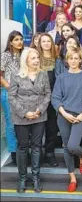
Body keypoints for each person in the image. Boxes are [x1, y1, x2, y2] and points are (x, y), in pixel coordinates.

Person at [8, 48, 51, 193]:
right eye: (33, 58)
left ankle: (36, 177)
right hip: (21, 117)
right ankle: (22, 178)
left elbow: (47, 94)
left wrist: (39, 110)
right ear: (26, 60)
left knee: (37, 146)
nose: (37, 60)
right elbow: (11, 97)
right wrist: (25, 113)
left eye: (37, 57)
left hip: (39, 116)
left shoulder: (43, 73)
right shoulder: (16, 75)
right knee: (22, 147)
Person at [51, 47, 82, 192]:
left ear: (81, 60)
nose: (73, 61)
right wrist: (64, 113)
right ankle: (72, 178)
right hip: (64, 115)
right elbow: (55, 98)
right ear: (66, 60)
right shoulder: (61, 77)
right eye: (70, 58)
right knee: (66, 147)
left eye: (76, 58)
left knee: (73, 146)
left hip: (80, 115)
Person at [1, 31, 24, 164]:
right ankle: (14, 153)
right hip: (8, 92)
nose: (19, 42)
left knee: (21, 122)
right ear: (10, 42)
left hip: (23, 93)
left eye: (21, 39)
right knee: (11, 122)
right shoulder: (5, 56)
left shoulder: (24, 55)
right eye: (16, 40)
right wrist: (10, 88)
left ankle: (22, 151)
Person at [37, 33, 58, 167]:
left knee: (51, 127)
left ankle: (50, 153)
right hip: (38, 98)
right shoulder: (36, 59)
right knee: (38, 128)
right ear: (39, 44)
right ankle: (38, 155)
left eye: (48, 41)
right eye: (43, 41)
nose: (46, 43)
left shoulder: (57, 60)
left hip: (53, 98)